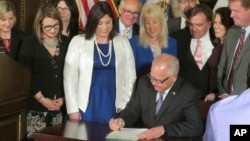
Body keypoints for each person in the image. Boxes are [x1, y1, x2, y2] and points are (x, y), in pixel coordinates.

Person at [63, 1, 136, 124]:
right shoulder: (78, 42)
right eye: (100, 23)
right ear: (93, 23)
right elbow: (69, 77)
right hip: (85, 106)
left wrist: (125, 103)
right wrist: (72, 109)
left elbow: (130, 76)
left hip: (113, 105)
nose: (104, 27)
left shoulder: (123, 42)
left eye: (108, 22)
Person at [109, 54, 203, 140]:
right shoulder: (144, 83)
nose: (153, 82)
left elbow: (195, 126)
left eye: (159, 80)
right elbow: (133, 110)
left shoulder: (188, 93)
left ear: (174, 77)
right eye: (151, 77)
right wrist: (121, 121)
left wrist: (164, 130)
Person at [17, 3, 68, 138]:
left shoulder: (67, 43)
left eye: (56, 25)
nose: (52, 30)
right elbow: (24, 76)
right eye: (47, 27)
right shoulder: (29, 44)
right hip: (36, 108)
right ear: (39, 25)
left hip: (60, 109)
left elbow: (72, 75)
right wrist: (43, 99)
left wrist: (64, 99)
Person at [171, 4, 214, 99]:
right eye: (191, 24)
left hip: (209, 102)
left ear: (210, 24)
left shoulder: (219, 41)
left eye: (199, 25)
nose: (194, 29)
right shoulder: (177, 39)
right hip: (183, 101)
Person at [130, 4, 177, 79]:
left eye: (155, 22)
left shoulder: (172, 43)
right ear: (143, 25)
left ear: (162, 23)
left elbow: (174, 72)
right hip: (143, 88)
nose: (151, 27)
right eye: (147, 23)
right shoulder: (134, 43)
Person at [217, 0, 250, 97]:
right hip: (225, 97)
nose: (231, 15)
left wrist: (235, 98)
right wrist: (223, 92)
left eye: (236, 11)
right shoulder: (232, 31)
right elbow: (222, 66)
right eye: (231, 10)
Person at [204, 7, 234, 102]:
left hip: (222, 98)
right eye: (215, 22)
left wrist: (217, 94)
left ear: (228, 25)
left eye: (220, 23)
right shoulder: (217, 44)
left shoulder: (230, 48)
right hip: (212, 96)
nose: (216, 26)